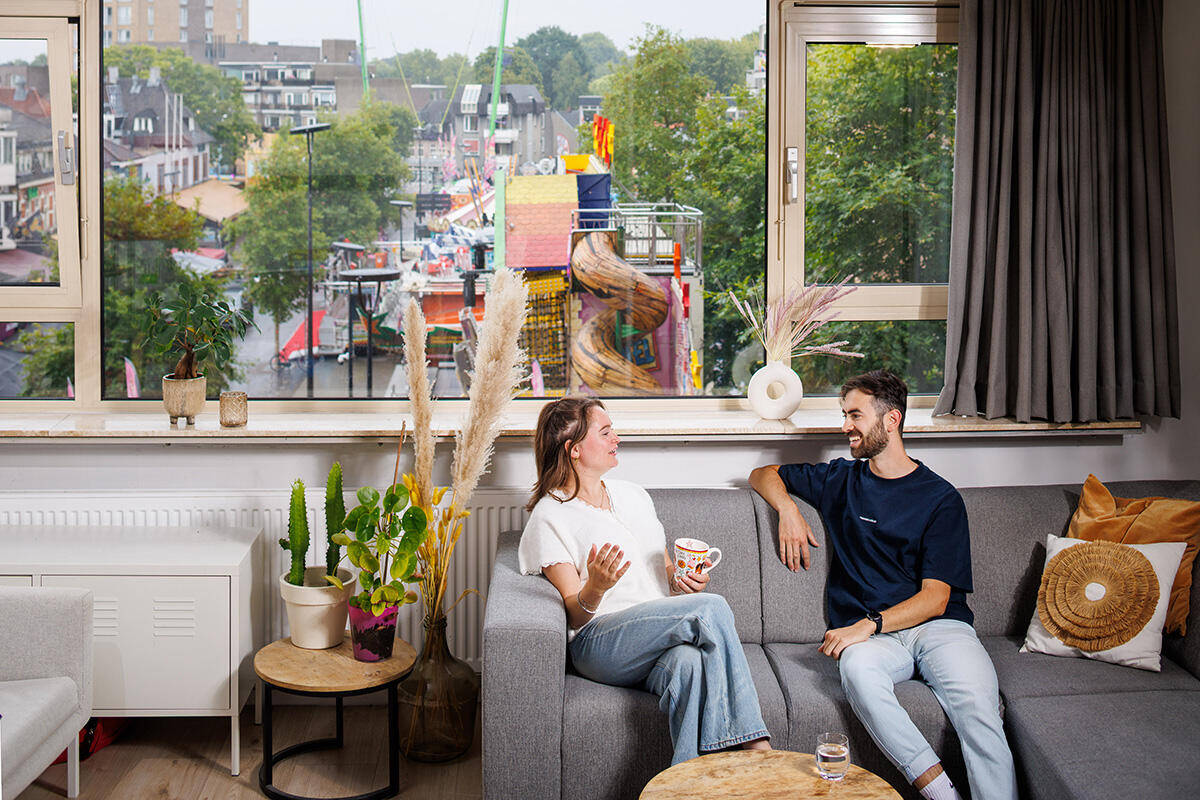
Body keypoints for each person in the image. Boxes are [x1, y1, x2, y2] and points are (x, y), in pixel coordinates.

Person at [749, 370, 1016, 800]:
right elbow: (763, 473)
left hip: (939, 628)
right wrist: (788, 510)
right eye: (844, 414)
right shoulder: (840, 480)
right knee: (856, 670)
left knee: (980, 713)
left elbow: (936, 597)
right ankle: (940, 791)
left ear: (891, 420)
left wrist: (868, 624)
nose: (845, 426)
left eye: (855, 415)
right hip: (877, 644)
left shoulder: (940, 498)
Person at [519, 396, 771, 765]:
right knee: (711, 608)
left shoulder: (633, 495)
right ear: (574, 450)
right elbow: (575, 615)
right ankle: (756, 748)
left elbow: (665, 571)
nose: (616, 438)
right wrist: (597, 587)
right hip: (599, 642)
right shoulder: (551, 515)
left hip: (657, 629)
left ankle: (689, 783)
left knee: (689, 664)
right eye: (605, 433)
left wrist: (682, 582)